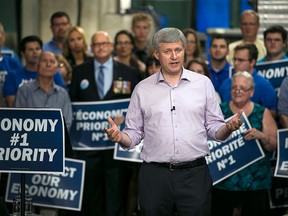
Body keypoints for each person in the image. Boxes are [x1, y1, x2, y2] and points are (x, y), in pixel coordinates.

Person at [104, 27, 243, 216]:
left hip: (194, 175)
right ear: (156, 54)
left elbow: (215, 129)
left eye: (178, 50)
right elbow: (134, 134)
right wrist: (120, 137)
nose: (174, 56)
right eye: (167, 51)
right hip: (155, 176)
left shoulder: (202, 84)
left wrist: (227, 127)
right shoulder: (142, 89)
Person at [69, 31, 141, 216]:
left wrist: (124, 119)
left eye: (104, 43)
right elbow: (73, 106)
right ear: (91, 48)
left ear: (111, 46)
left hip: (116, 148)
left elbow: (136, 105)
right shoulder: (79, 72)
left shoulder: (130, 73)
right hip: (87, 147)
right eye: (96, 44)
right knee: (91, 197)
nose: (100, 47)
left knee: (115, 196)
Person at [14, 51, 74, 216]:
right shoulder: (24, 91)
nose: (48, 64)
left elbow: (67, 123)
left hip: (53, 155)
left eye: (52, 61)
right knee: (28, 202)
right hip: (29, 155)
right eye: (44, 61)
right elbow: (18, 122)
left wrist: (50, 142)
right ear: (37, 66)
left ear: (56, 67)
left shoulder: (62, 93)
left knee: (49, 203)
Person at [212, 71, 277, 216]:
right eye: (234, 87)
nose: (237, 91)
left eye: (243, 88)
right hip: (223, 184)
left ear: (252, 91)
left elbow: (274, 145)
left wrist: (262, 136)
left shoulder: (262, 112)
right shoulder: (218, 111)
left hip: (255, 184)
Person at [3, 35, 65, 107]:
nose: (35, 52)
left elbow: (61, 99)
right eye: (30, 50)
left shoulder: (54, 74)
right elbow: (12, 105)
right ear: (23, 54)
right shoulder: (12, 76)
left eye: (37, 49)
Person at [219, 43, 277, 117]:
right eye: (235, 59)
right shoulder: (225, 85)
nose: (236, 63)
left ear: (252, 62)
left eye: (240, 60)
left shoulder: (265, 87)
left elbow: (272, 115)